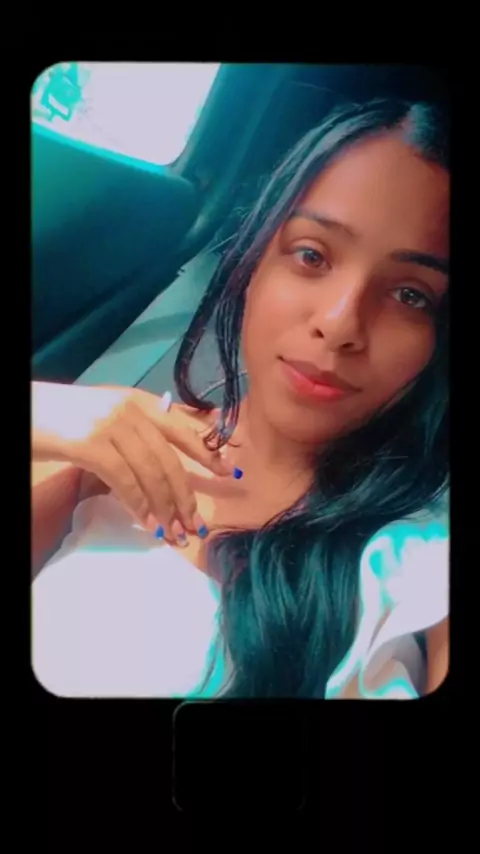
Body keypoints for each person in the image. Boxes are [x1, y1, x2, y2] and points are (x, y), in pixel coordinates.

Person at [31, 98, 449, 699]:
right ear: (254, 262)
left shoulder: (425, 557)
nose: (339, 324)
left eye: (410, 294)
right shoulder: (99, 449)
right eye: (312, 255)